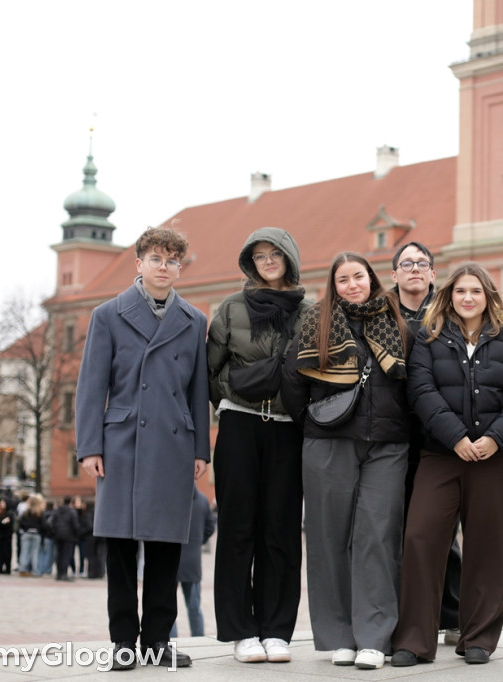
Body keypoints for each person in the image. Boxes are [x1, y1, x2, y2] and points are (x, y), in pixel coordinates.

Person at [390, 262, 503, 667]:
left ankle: (479, 638)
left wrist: (494, 438)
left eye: (475, 291)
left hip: (495, 458)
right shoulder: (427, 339)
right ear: (448, 295)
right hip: (441, 455)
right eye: (460, 291)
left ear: (489, 295)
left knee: (487, 546)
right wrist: (457, 437)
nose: (468, 297)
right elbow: (421, 391)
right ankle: (414, 640)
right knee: (421, 539)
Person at [76, 226, 210, 670]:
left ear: (180, 267)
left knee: (167, 548)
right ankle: (123, 644)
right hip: (122, 443)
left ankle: (157, 641)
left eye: (173, 261)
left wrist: (200, 449)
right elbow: (91, 386)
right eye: (156, 259)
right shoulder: (108, 315)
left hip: (173, 443)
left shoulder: (193, 321)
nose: (164, 267)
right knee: (118, 549)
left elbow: (197, 391)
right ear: (139, 264)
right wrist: (89, 445)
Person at [282, 251, 411, 671]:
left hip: (388, 444)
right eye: (343, 279)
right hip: (329, 440)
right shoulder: (315, 322)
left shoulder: (398, 324)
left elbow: (413, 383)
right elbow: (292, 381)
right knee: (328, 538)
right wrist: (315, 425)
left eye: (359, 276)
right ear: (333, 286)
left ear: (372, 280)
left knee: (378, 536)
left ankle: (374, 636)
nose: (352, 284)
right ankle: (339, 636)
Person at [207, 227, 308, 664]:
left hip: (288, 428)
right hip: (239, 425)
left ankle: (277, 630)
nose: (268, 260)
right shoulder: (230, 308)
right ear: (250, 262)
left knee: (282, 531)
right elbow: (209, 373)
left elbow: (319, 369)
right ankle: (241, 630)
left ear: (289, 257)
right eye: (259, 255)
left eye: (275, 253)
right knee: (237, 529)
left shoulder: (309, 312)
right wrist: (241, 387)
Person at [391, 241, 462, 647]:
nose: (415, 269)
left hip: (436, 434)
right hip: (390, 433)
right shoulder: (381, 313)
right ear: (395, 274)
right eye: (407, 264)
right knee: (398, 528)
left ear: (433, 274)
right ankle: (402, 612)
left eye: (422, 263)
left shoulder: (449, 314)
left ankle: (451, 614)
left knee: (441, 529)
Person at [171, 488, 215, 639]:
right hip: (193, 562)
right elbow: (210, 526)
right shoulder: (203, 500)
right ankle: (199, 638)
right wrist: (198, 541)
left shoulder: (171, 497)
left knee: (168, 605)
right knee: (194, 607)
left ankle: (171, 639)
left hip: (172, 559)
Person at [52, 496, 81, 581]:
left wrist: (54, 532)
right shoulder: (72, 511)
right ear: (70, 502)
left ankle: (58, 574)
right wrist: (78, 534)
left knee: (59, 555)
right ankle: (64, 574)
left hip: (58, 535)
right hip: (69, 537)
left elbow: (52, 522)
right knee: (66, 555)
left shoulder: (57, 511)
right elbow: (75, 524)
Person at [18, 494, 45, 576]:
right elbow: (43, 525)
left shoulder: (26, 512)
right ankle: (35, 571)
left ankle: (22, 569)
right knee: (35, 553)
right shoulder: (40, 513)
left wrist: (25, 529)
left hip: (26, 533)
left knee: (24, 552)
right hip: (36, 534)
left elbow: (21, 522)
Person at [0, 498, 16, 574]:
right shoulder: (0, 512)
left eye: (3, 503)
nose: (1, 504)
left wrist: (1, 523)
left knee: (7, 552)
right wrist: (3, 522)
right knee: (1, 552)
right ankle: (0, 567)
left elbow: (8, 524)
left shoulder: (9, 513)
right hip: (1, 535)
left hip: (7, 536)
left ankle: (7, 568)